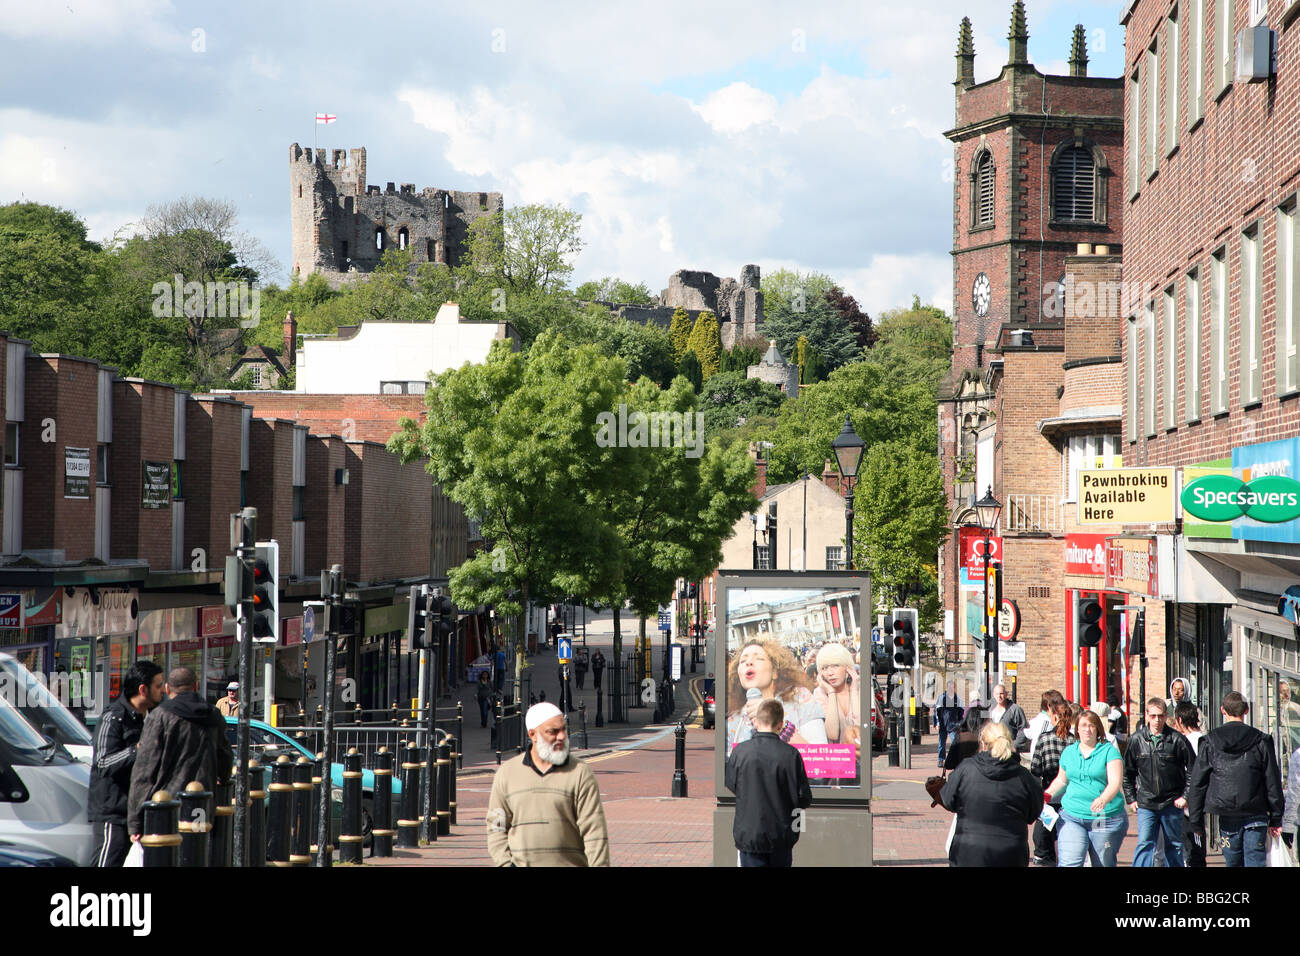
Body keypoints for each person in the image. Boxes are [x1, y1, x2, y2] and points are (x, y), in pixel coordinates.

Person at [486, 702, 609, 866]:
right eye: (553, 731)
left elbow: (595, 832)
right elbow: (496, 827)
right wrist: (505, 863)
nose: (562, 736)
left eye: (564, 729)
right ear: (533, 735)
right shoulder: (506, 774)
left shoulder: (580, 773)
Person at [126, 667, 235, 842]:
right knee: (197, 850)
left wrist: (135, 822)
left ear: (168, 688)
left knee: (168, 854)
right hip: (202, 801)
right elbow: (225, 754)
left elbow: (144, 769)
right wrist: (223, 776)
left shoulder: (160, 715)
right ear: (196, 686)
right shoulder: (213, 714)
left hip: (166, 802)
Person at [1186, 691, 1284, 867]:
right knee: (1255, 862)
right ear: (1246, 710)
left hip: (1226, 811)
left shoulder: (1210, 742)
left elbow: (1198, 783)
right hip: (1256, 812)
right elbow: (1272, 780)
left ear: (1223, 710)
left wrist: (1196, 820)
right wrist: (1276, 817)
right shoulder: (1261, 741)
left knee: (1232, 862)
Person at [88, 660, 164, 867]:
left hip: (136, 810)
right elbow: (102, 762)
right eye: (158, 686)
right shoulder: (113, 717)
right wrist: (137, 750)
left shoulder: (149, 718)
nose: (162, 690)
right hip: (113, 811)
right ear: (142, 689)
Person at [939, 721, 1042, 867]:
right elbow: (1034, 812)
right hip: (1011, 852)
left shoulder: (966, 769)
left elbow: (948, 800)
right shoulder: (1023, 776)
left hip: (969, 851)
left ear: (983, 744)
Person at [725, 697, 813, 867]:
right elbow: (803, 797)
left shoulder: (741, 752)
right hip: (781, 835)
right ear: (780, 725)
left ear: (756, 722)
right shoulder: (791, 754)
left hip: (749, 834)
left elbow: (732, 784)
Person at [1045, 709, 1127, 867]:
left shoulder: (1109, 751)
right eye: (1083, 725)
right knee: (1069, 863)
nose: (1087, 729)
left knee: (1102, 863)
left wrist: (1103, 799)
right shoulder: (1069, 752)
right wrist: (1047, 795)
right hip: (1072, 816)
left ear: (1098, 729)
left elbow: (1115, 783)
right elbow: (1062, 780)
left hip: (1103, 818)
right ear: (1077, 729)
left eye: (1091, 726)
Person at [1123, 697, 1195, 867]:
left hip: (1171, 802)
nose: (1157, 720)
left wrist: (1185, 796)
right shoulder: (1136, 740)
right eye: (1153, 715)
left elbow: (1194, 768)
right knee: (1145, 844)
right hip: (1146, 802)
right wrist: (1131, 799)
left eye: (1161, 716)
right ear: (1147, 715)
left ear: (1166, 715)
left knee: (1174, 845)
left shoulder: (1177, 740)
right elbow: (1128, 772)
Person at [726, 639, 827, 750]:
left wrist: (774, 721)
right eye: (743, 661)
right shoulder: (734, 720)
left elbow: (819, 757)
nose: (748, 663)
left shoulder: (799, 698)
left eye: (759, 658)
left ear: (774, 672)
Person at [1028, 701, 1075, 866]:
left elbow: (1035, 769)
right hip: (1070, 797)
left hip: (1048, 795)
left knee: (1043, 842)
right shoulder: (1074, 741)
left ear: (1055, 716)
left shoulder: (1045, 738)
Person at [1170, 701, 1206, 867]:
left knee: (1191, 847)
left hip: (1188, 802)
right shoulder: (1207, 739)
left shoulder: (1184, 742)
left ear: (1179, 720)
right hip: (1202, 800)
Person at [812, 644, 860, 755]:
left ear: (847, 667)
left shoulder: (860, 688)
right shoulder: (820, 693)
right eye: (824, 668)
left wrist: (853, 690)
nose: (830, 673)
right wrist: (831, 692)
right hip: (836, 761)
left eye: (835, 666)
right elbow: (832, 734)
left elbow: (861, 728)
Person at [933, 682, 965, 768]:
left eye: (953, 687)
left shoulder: (957, 699)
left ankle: (953, 759)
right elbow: (936, 711)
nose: (951, 689)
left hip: (953, 725)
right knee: (941, 743)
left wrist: (960, 723)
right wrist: (937, 723)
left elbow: (961, 712)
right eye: (949, 687)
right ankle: (940, 759)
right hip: (943, 724)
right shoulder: (942, 698)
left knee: (954, 743)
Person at [988, 684, 1027, 749]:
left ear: (1006, 694)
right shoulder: (991, 709)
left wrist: (1015, 746)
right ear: (993, 695)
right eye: (997, 694)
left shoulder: (1015, 709)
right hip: (994, 749)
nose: (999, 696)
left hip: (1009, 749)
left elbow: (1023, 729)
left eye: (1001, 694)